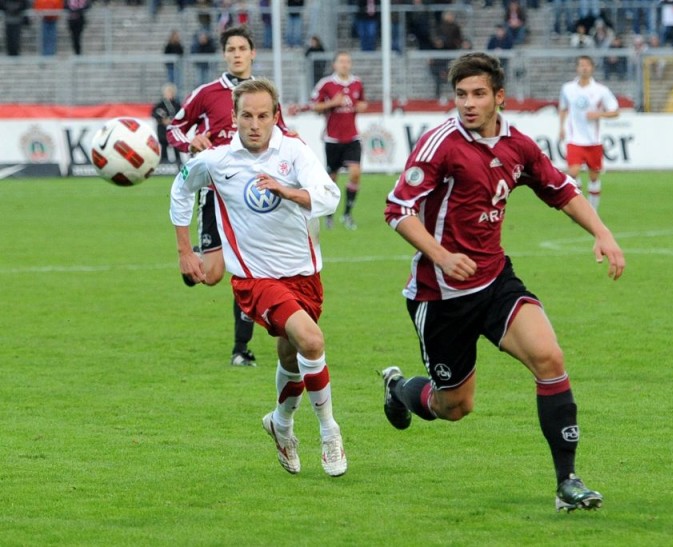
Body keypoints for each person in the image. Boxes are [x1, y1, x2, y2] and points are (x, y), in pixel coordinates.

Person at [381, 52, 625, 513]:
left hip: (494, 282)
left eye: (477, 94)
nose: (468, 104)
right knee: (455, 406)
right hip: (441, 295)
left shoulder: (519, 146)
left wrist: (603, 232)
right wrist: (441, 255)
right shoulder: (440, 145)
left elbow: (562, 190)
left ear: (499, 97)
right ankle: (399, 390)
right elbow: (397, 209)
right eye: (460, 95)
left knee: (549, 357)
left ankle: (567, 483)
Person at [169, 78, 347, 477]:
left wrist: (288, 191)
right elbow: (180, 188)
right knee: (312, 340)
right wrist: (185, 250)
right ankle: (329, 432)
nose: (254, 123)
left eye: (263, 115)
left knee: (292, 356)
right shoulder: (217, 161)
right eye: (246, 115)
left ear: (275, 116)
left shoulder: (294, 151)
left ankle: (281, 424)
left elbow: (328, 194)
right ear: (233, 118)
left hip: (304, 275)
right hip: (255, 280)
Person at [167, 26, 263, 367]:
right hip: (214, 192)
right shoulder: (207, 93)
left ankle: (241, 349)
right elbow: (174, 127)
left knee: (248, 270)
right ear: (224, 54)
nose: (237, 53)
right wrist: (190, 142)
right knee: (212, 276)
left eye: (242, 48)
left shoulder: (263, 94)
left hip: (252, 197)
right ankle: (196, 256)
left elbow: (277, 133)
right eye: (231, 48)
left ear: (253, 53)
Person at [297, 50, 367, 230]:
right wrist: (331, 103)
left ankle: (347, 215)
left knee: (355, 173)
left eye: (347, 61)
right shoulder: (326, 84)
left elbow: (362, 102)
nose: (345, 64)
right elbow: (314, 106)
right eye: (341, 61)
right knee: (332, 179)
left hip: (352, 137)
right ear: (334, 65)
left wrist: (361, 106)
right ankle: (329, 215)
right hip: (333, 139)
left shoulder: (357, 83)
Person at [558, 56, 620, 211]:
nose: (584, 68)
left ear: (592, 68)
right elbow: (563, 108)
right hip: (575, 139)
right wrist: (561, 127)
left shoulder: (601, 90)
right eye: (581, 65)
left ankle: (593, 209)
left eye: (587, 65)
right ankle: (580, 208)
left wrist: (599, 115)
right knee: (572, 173)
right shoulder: (568, 88)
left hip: (593, 140)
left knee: (594, 177)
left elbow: (615, 111)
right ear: (577, 68)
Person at [152, 82, 182, 165]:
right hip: (163, 130)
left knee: (176, 147)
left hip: (174, 130)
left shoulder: (177, 105)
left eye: (171, 92)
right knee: (163, 147)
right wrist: (163, 120)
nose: (169, 94)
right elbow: (154, 114)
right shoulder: (160, 105)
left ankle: (178, 163)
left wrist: (173, 121)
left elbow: (181, 114)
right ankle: (163, 164)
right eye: (167, 92)